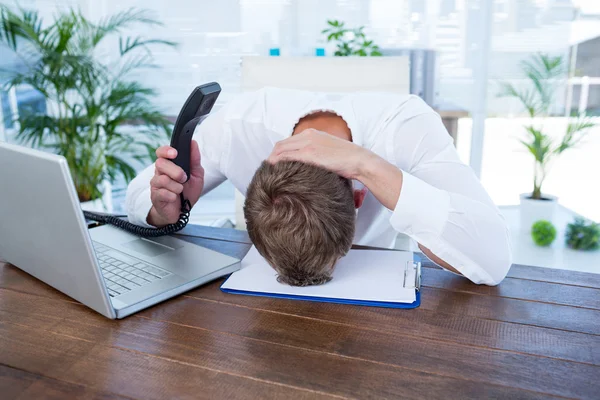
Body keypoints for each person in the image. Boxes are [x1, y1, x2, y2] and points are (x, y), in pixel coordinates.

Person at [125, 87, 512, 286]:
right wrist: (163, 209)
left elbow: (494, 259)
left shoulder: (406, 127)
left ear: (360, 193)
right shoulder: (238, 126)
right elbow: (137, 192)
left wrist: (369, 164)